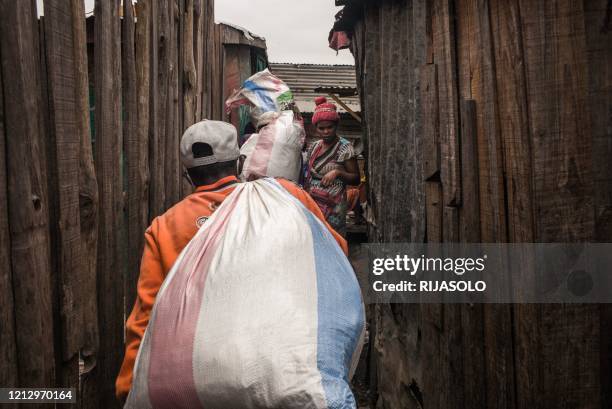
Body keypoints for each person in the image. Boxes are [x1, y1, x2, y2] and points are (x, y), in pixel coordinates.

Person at [115, 120, 348, 404]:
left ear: (187, 176)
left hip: (196, 379)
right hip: (277, 369)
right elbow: (336, 255)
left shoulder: (165, 227)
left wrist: (128, 387)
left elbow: (146, 315)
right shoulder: (286, 198)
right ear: (239, 164)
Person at [305, 96, 360, 236]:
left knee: (334, 238)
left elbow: (356, 179)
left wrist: (338, 172)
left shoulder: (344, 148)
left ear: (336, 126)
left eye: (330, 127)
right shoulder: (314, 147)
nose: (326, 131)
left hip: (334, 205)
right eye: (321, 128)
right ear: (316, 128)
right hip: (314, 202)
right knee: (315, 237)